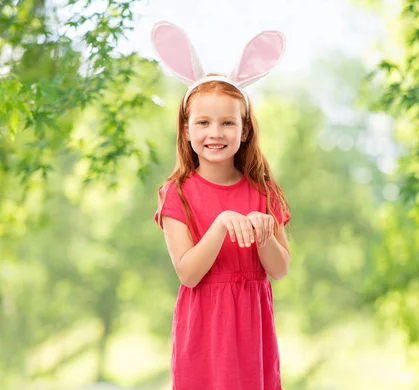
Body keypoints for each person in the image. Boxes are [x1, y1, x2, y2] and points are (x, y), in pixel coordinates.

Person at [150, 21, 291, 389]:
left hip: (252, 333)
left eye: (228, 122)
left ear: (244, 130)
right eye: (204, 122)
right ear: (186, 129)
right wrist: (222, 223)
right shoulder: (177, 193)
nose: (216, 133)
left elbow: (280, 269)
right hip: (205, 336)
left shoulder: (264, 191)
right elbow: (189, 273)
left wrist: (264, 237)